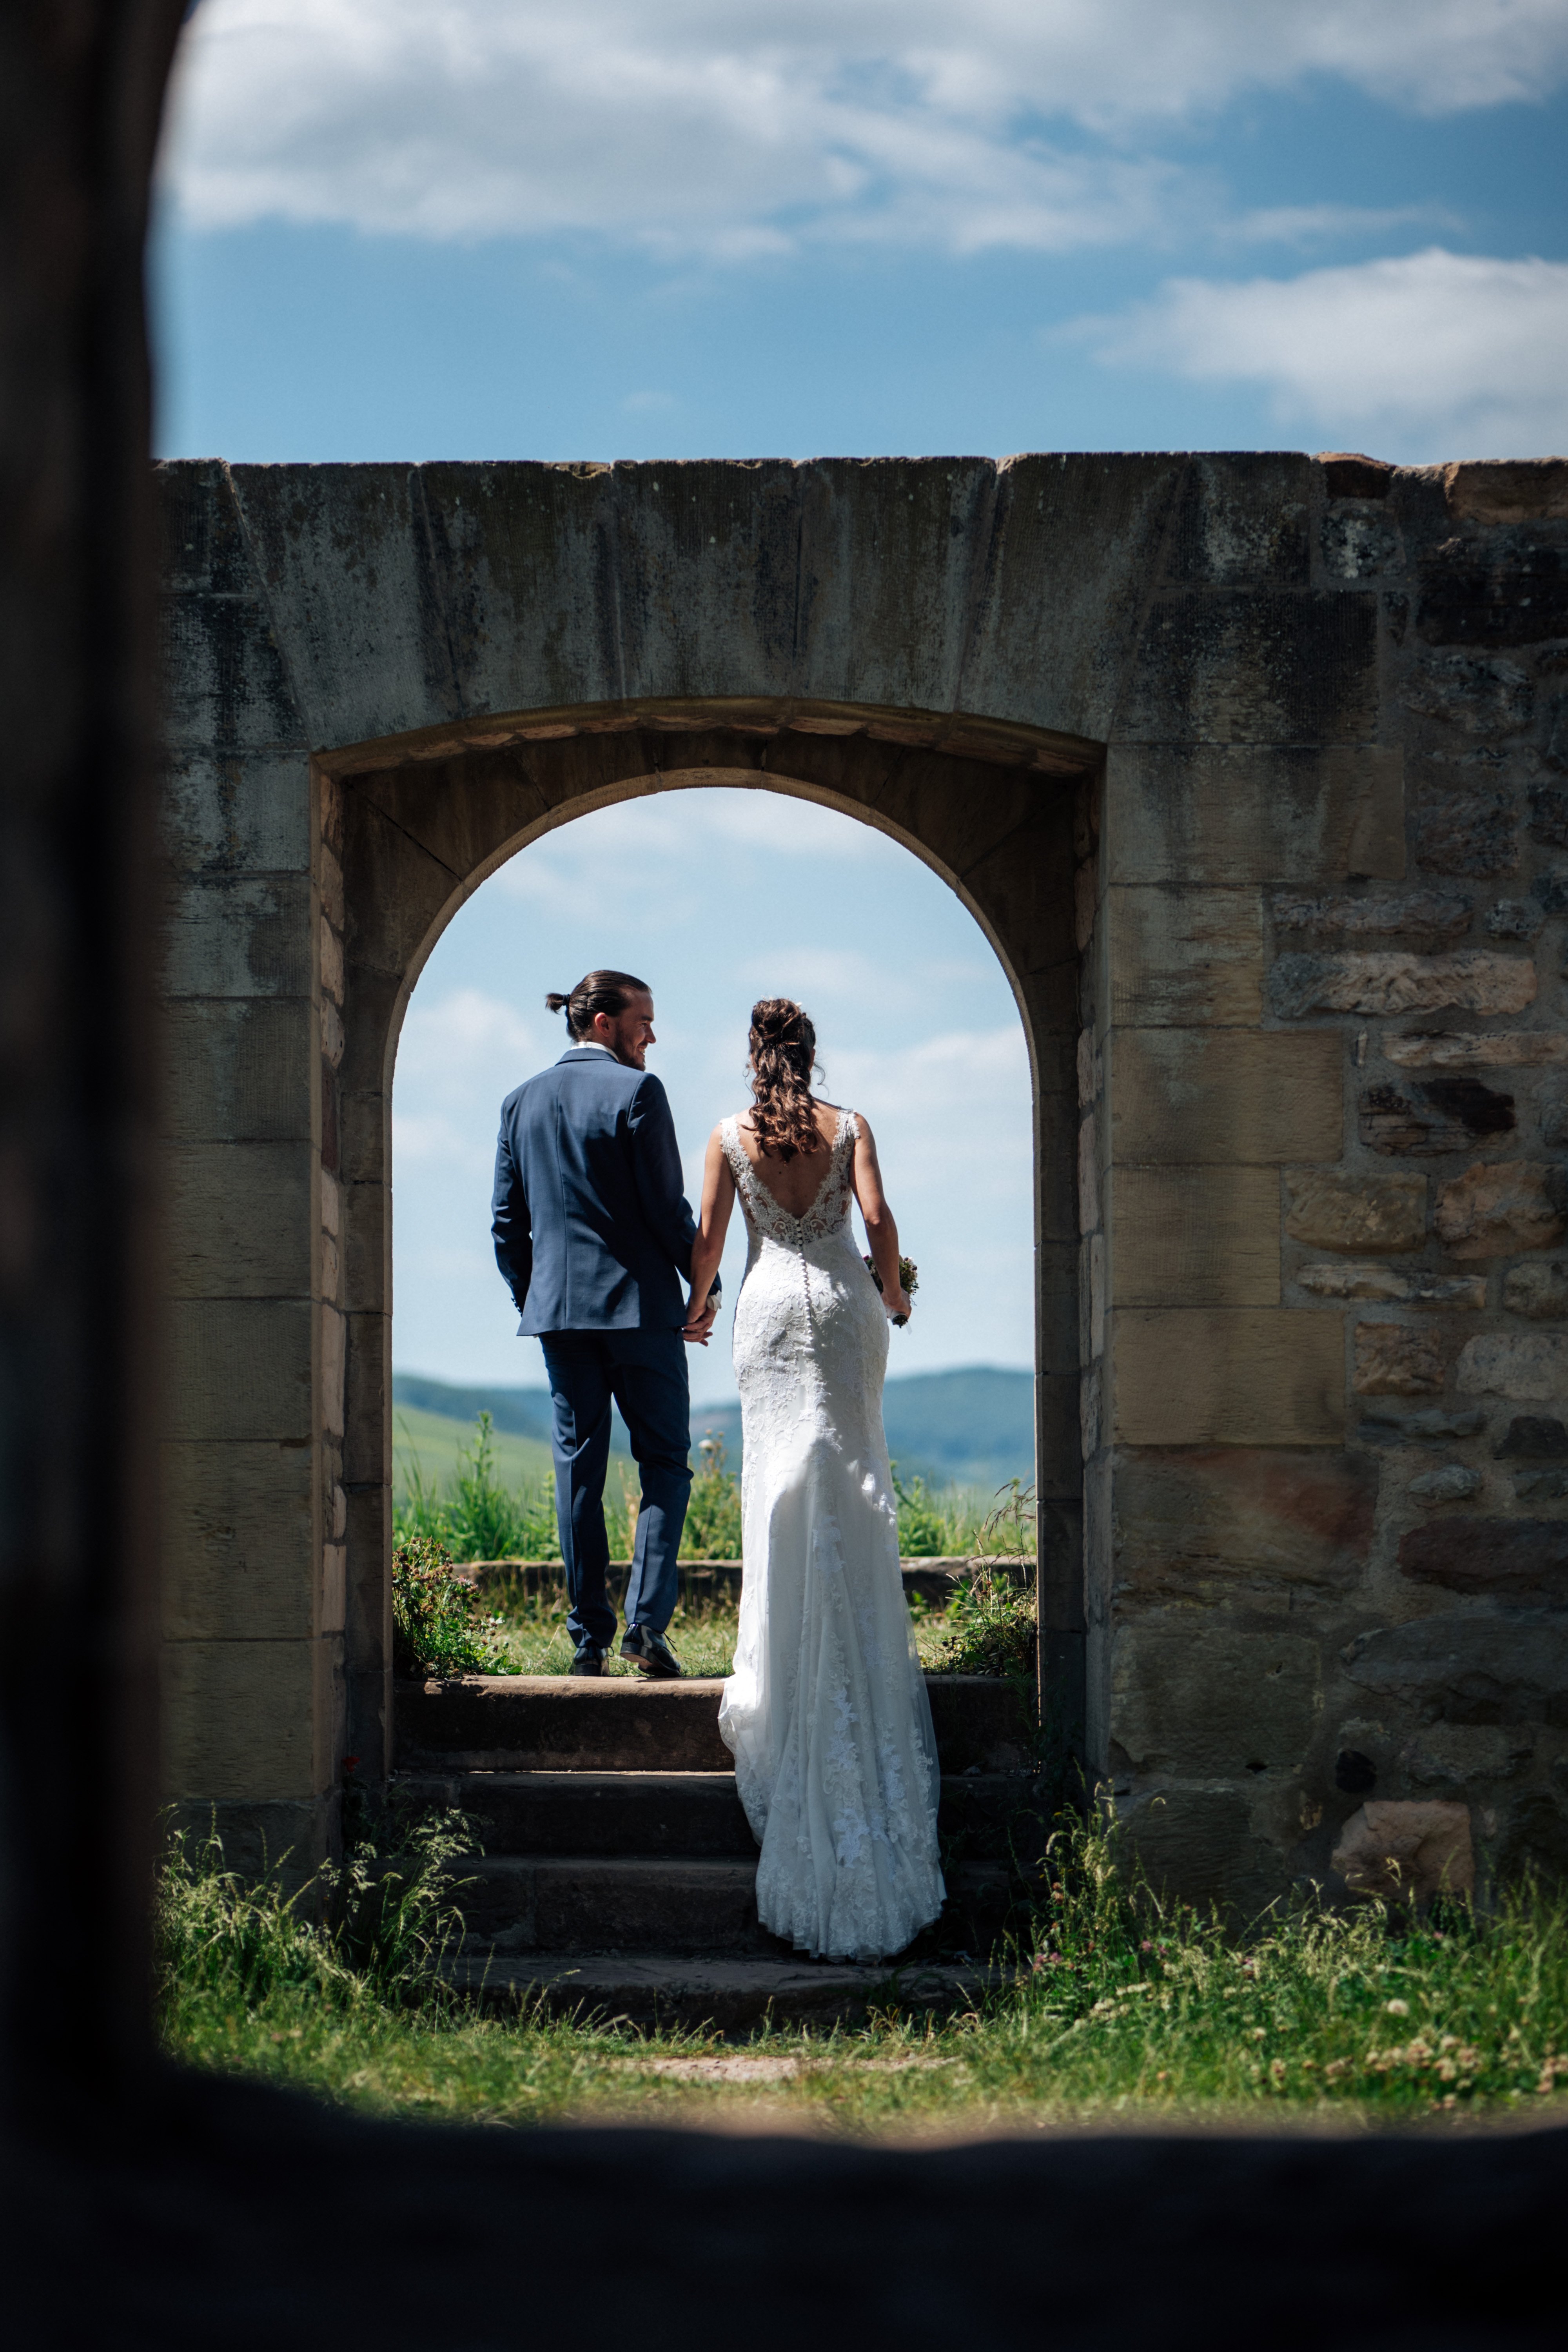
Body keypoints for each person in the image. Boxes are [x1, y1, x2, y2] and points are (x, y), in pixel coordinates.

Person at [686, 998, 945, 1962]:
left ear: (754, 1059)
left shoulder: (726, 1135)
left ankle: (786, 1656)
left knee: (781, 1492)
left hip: (764, 1314)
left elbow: (709, 1243)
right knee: (849, 1479)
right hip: (840, 1312)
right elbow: (875, 1217)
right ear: (810, 1054)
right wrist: (894, 1287)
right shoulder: (853, 1127)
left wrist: (695, 1305)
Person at [490, 970, 717, 1679]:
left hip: (559, 1318)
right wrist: (700, 1290)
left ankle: (588, 1639)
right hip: (642, 1312)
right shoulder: (639, 1092)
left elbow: (506, 1225)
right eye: (642, 1020)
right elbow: (665, 1207)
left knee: (578, 1474)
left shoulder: (517, 1103)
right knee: (664, 1466)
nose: (652, 1034)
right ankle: (646, 1626)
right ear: (602, 1023)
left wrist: (540, 1298)